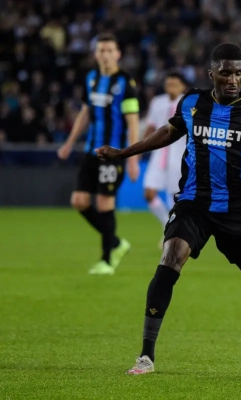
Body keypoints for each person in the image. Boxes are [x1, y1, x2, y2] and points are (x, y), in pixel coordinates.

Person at [94, 43, 241, 375]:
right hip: (193, 204)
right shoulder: (192, 103)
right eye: (225, 72)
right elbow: (168, 132)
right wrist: (124, 153)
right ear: (211, 73)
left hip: (240, 213)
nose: (232, 79)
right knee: (170, 258)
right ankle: (146, 356)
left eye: (238, 73)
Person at [57, 33, 140, 275]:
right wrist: (69, 143)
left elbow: (133, 122)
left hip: (112, 154)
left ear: (118, 54)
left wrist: (132, 158)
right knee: (79, 201)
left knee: (104, 203)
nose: (105, 54)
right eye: (101, 50)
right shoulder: (91, 78)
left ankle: (107, 261)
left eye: (109, 50)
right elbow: (85, 113)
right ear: (96, 54)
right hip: (90, 151)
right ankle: (116, 243)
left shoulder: (125, 82)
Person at [142, 72, 188, 244]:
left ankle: (176, 232)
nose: (171, 87)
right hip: (159, 154)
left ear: (182, 86)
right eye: (168, 84)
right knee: (149, 193)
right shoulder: (157, 102)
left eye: (174, 84)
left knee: (176, 196)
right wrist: (140, 149)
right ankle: (166, 223)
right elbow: (151, 126)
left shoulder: (189, 103)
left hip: (179, 154)